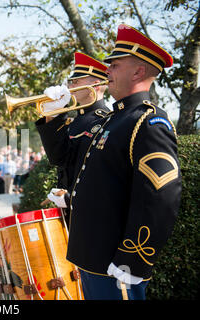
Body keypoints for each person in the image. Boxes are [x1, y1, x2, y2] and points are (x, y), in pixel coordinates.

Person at [42, 25, 181, 300]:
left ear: (138, 71)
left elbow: (161, 196)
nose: (107, 72)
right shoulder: (113, 120)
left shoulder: (149, 123)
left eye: (115, 65)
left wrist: (132, 260)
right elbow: (102, 184)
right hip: (93, 257)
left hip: (116, 265)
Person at [36, 52, 110, 225]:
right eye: (70, 81)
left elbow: (96, 174)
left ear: (96, 84)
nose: (70, 85)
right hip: (68, 212)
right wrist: (52, 115)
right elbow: (58, 158)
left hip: (91, 215)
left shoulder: (105, 120)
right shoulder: (74, 120)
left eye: (76, 81)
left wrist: (70, 198)